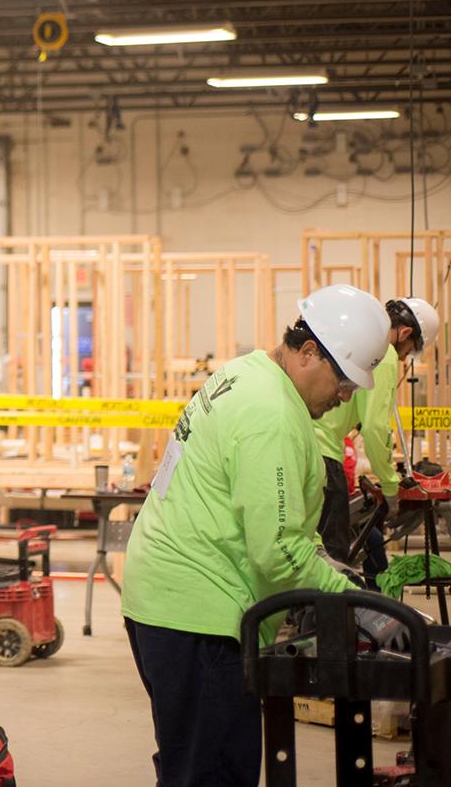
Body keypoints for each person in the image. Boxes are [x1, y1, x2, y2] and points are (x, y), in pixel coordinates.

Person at [121, 283, 390, 787]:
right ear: (309, 352)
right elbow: (278, 553)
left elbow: (273, 521)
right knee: (213, 773)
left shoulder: (245, 373)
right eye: (344, 382)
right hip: (198, 613)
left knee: (192, 764)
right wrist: (355, 598)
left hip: (165, 600)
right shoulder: (271, 413)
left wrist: (330, 568)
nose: (345, 397)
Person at [314, 296, 440, 570]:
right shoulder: (385, 354)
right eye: (409, 351)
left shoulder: (357, 339)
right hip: (323, 456)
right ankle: (323, 613)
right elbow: (375, 427)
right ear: (405, 333)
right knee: (333, 558)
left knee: (312, 550)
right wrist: (391, 486)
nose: (404, 357)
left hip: (306, 447)